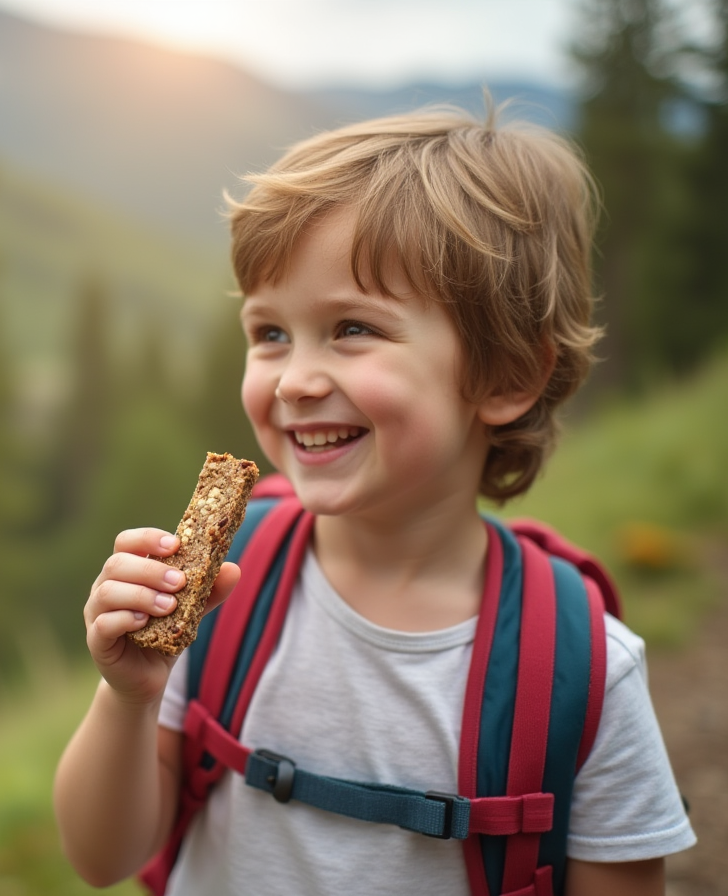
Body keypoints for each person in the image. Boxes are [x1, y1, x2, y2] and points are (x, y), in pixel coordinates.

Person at [52, 106, 695, 895]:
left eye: (352, 328)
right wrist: (128, 697)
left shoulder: (582, 670)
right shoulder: (221, 591)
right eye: (270, 334)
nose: (293, 380)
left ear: (505, 378)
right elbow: (100, 856)